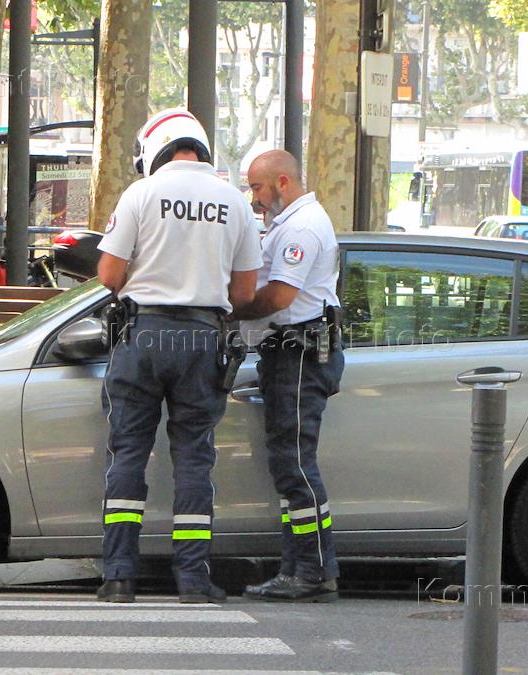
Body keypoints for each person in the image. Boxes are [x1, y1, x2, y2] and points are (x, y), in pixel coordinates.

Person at [94, 107, 262, 604]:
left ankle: (119, 577)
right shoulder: (233, 201)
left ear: (155, 148)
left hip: (144, 334)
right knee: (194, 459)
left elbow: (108, 275)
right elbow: (245, 292)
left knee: (129, 454)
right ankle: (192, 580)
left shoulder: (141, 193)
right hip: (202, 339)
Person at [232, 149, 343, 603]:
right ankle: (300, 567)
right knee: (288, 464)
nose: (253, 197)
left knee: (295, 463)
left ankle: (313, 570)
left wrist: (234, 311)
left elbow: (279, 296)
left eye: (257, 187)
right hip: (291, 352)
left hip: (298, 354)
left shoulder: (300, 227)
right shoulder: (289, 223)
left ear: (282, 182)